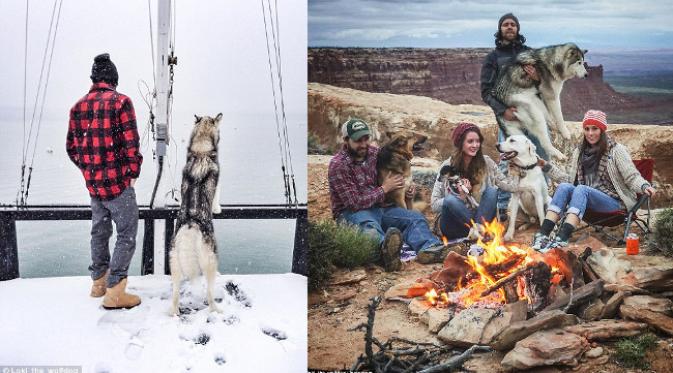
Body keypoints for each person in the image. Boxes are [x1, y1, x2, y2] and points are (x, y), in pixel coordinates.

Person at [66, 53, 143, 309]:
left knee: (99, 232)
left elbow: (71, 148)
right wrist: (131, 173)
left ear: (94, 78)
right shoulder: (121, 102)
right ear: (113, 78)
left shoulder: (77, 107)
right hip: (118, 185)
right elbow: (131, 144)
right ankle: (116, 291)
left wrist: (89, 169)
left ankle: (98, 283)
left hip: (94, 186)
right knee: (127, 234)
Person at [328, 118, 446, 269]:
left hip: (382, 208)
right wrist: (384, 188)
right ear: (346, 140)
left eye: (366, 139)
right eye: (358, 141)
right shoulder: (338, 165)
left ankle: (430, 249)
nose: (364, 144)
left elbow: (397, 156)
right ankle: (387, 254)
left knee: (415, 218)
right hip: (353, 213)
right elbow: (354, 203)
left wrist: (405, 191)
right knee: (368, 227)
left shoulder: (374, 153)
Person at [532, 110, 656, 251]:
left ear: (602, 129)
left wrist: (644, 185)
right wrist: (545, 166)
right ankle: (542, 234)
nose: (590, 133)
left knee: (581, 189)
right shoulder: (579, 152)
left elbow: (631, 176)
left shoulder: (616, 150)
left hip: (615, 203)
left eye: (594, 128)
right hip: (586, 201)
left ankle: (562, 238)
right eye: (587, 129)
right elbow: (568, 180)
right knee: (564, 187)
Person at [480, 12, 542, 220]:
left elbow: (546, 88)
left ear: (517, 29)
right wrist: (503, 110)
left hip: (531, 120)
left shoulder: (529, 54)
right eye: (505, 24)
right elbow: (486, 91)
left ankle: (542, 204)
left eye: (513, 25)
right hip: (508, 122)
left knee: (537, 159)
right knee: (508, 162)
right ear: (500, 29)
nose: (509, 27)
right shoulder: (493, 58)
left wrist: (538, 77)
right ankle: (504, 208)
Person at [431, 122, 520, 240]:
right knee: (450, 200)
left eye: (477, 141)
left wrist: (518, 167)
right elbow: (434, 205)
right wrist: (460, 197)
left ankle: (477, 234)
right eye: (470, 141)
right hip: (455, 225)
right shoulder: (447, 166)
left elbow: (510, 186)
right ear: (460, 143)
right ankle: (479, 233)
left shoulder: (487, 163)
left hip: (482, 218)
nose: (475, 145)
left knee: (492, 192)